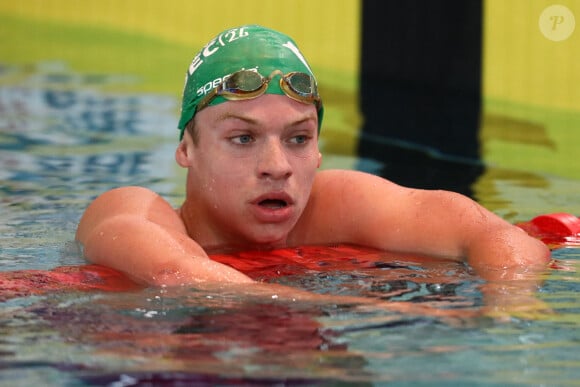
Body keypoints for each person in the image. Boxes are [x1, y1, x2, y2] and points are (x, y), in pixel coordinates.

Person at [75, 25, 550, 288]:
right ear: (186, 149)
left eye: (298, 138)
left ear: (319, 149)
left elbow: (491, 235)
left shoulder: (339, 204)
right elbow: (175, 273)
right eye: (244, 138)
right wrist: (347, 309)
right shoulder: (129, 209)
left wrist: (511, 314)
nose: (278, 165)